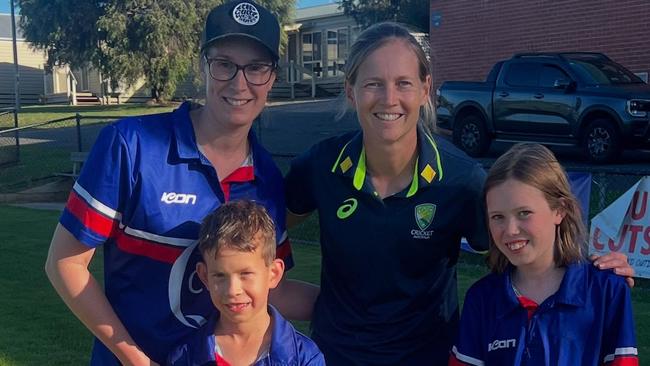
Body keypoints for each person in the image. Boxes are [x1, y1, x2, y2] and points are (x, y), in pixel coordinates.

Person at [279, 22, 635, 365]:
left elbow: (520, 248)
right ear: (350, 90)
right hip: (334, 356)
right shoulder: (320, 165)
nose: (389, 98)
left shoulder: (462, 179)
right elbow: (267, 235)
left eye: (403, 83)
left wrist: (591, 272)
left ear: (424, 89)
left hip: (428, 356)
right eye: (373, 83)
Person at [45, 1, 296, 364]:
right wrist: (134, 358)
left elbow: (274, 288)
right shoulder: (131, 146)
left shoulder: (267, 179)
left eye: (256, 68)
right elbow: (64, 263)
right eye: (224, 64)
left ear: (272, 77)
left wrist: (360, 301)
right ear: (202, 67)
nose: (240, 83)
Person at [449, 143, 638, 366]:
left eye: (524, 213)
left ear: (560, 210)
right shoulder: (481, 299)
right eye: (498, 217)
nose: (510, 230)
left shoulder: (606, 290)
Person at [167, 200, 324, 366]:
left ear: (274, 273)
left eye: (246, 274)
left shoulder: (304, 358)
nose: (233, 290)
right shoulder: (185, 357)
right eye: (220, 275)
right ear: (204, 276)